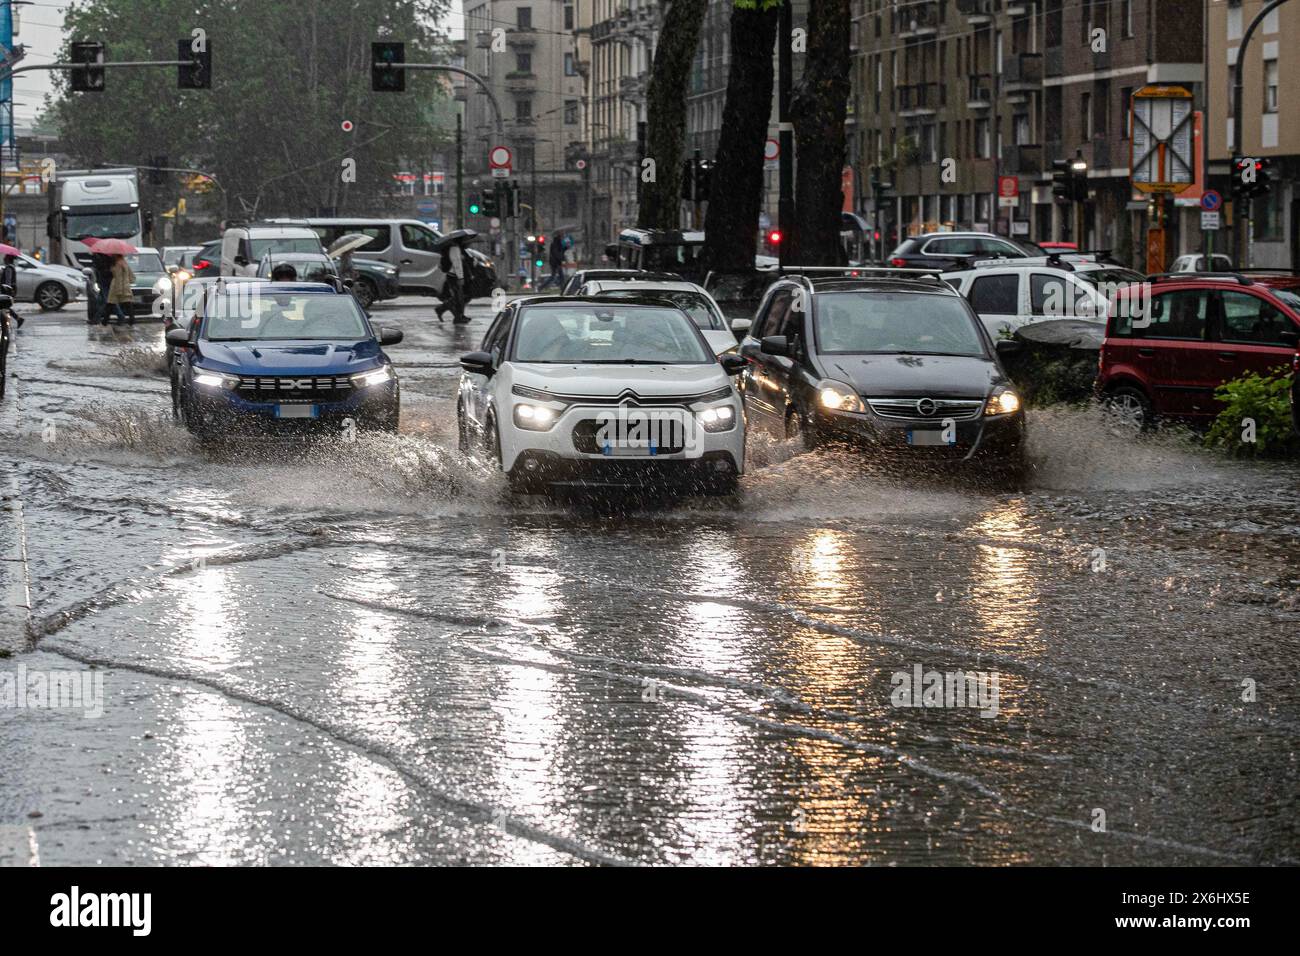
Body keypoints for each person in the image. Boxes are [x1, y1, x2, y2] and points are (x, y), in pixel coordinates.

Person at [435, 240, 469, 324]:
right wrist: (460, 277)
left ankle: (458, 316)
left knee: (459, 297)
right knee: (458, 297)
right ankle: (442, 309)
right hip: (453, 275)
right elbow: (457, 263)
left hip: (452, 275)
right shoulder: (455, 248)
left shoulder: (454, 248)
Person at [104, 253, 134, 326]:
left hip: (117, 287)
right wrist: (128, 281)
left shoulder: (118, 264)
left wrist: (119, 290)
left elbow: (118, 277)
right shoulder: (124, 263)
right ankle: (131, 320)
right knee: (127, 303)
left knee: (110, 303)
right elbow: (131, 276)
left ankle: (105, 320)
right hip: (125, 286)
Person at [91, 252, 114, 323]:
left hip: (105, 282)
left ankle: (96, 318)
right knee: (105, 300)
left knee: (105, 301)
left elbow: (106, 271)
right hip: (103, 282)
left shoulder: (102, 258)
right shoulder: (105, 257)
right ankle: (119, 316)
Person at [1, 255, 22, 330]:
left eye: (5, 258)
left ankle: (17, 319)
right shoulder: (10, 267)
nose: (3, 259)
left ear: (7, 259)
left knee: (4, 305)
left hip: (8, 289)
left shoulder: (9, 268)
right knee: (5, 306)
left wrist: (7, 289)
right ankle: (18, 319)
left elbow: (8, 280)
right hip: (11, 289)